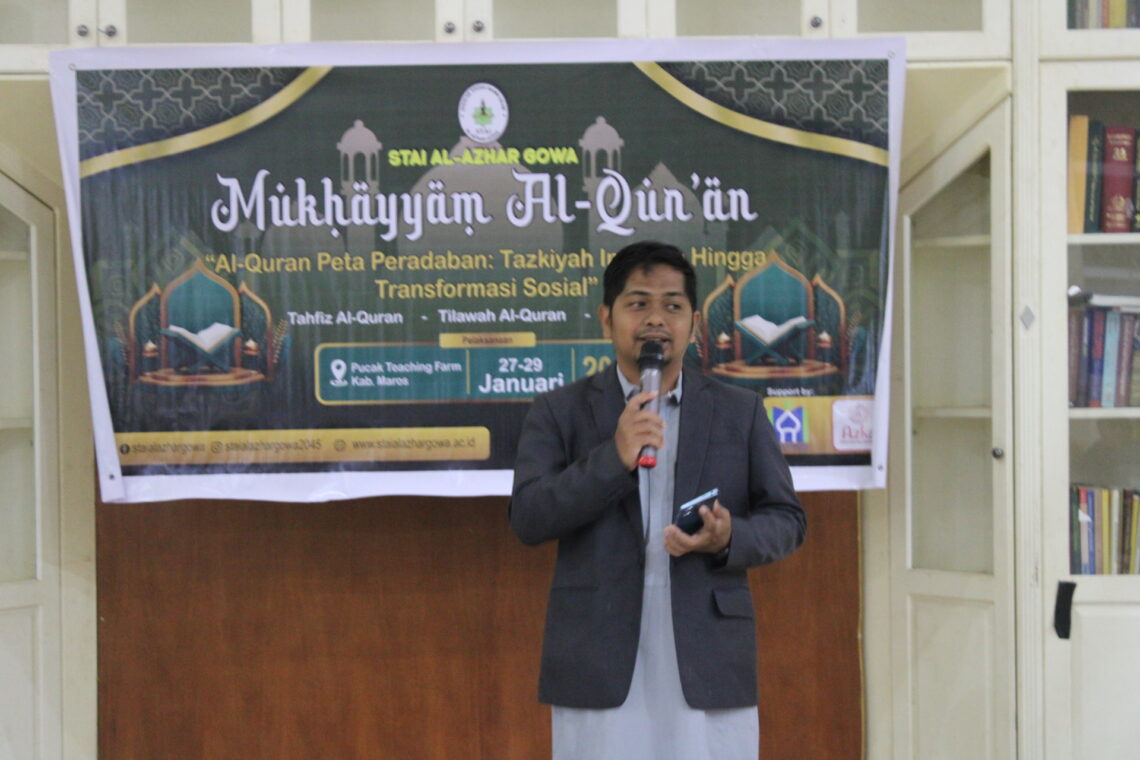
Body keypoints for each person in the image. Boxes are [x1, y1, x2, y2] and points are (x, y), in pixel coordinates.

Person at [509, 240, 806, 760]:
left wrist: (729, 537)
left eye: (672, 305)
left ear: (694, 324)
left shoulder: (739, 412)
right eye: (638, 303)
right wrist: (613, 457)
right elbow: (529, 517)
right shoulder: (559, 411)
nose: (655, 319)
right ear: (607, 319)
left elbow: (787, 520)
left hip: (706, 649)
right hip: (598, 651)